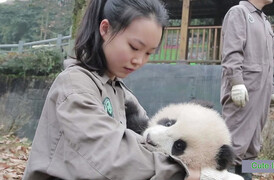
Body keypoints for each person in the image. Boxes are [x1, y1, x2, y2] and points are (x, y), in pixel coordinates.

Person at [23, 0, 201, 179]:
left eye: (148, 53)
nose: (139, 60)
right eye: (134, 47)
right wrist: (180, 172)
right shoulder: (75, 85)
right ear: (105, 29)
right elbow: (108, 154)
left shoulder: (119, 91)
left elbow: (149, 140)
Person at [220, 0, 274, 179]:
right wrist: (236, 81)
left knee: (252, 145)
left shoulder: (265, 21)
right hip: (244, 90)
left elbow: (271, 61)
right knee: (235, 142)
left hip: (261, 93)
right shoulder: (238, 12)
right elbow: (232, 51)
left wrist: (271, 92)